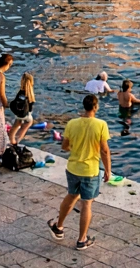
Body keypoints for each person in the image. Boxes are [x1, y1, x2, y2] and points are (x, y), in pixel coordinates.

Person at [49, 93, 111, 251]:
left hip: (73, 168)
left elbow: (64, 146)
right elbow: (104, 151)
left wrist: (76, 149)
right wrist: (108, 171)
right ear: (95, 107)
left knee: (71, 196)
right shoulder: (101, 125)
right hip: (90, 171)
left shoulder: (72, 123)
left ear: (84, 107)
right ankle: (82, 240)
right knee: (86, 204)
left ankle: (59, 227)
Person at [8, 72, 37, 145]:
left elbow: (15, 102)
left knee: (13, 130)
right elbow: (31, 106)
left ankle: (12, 141)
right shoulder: (30, 93)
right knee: (24, 129)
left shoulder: (20, 92)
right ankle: (17, 141)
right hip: (28, 115)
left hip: (19, 115)